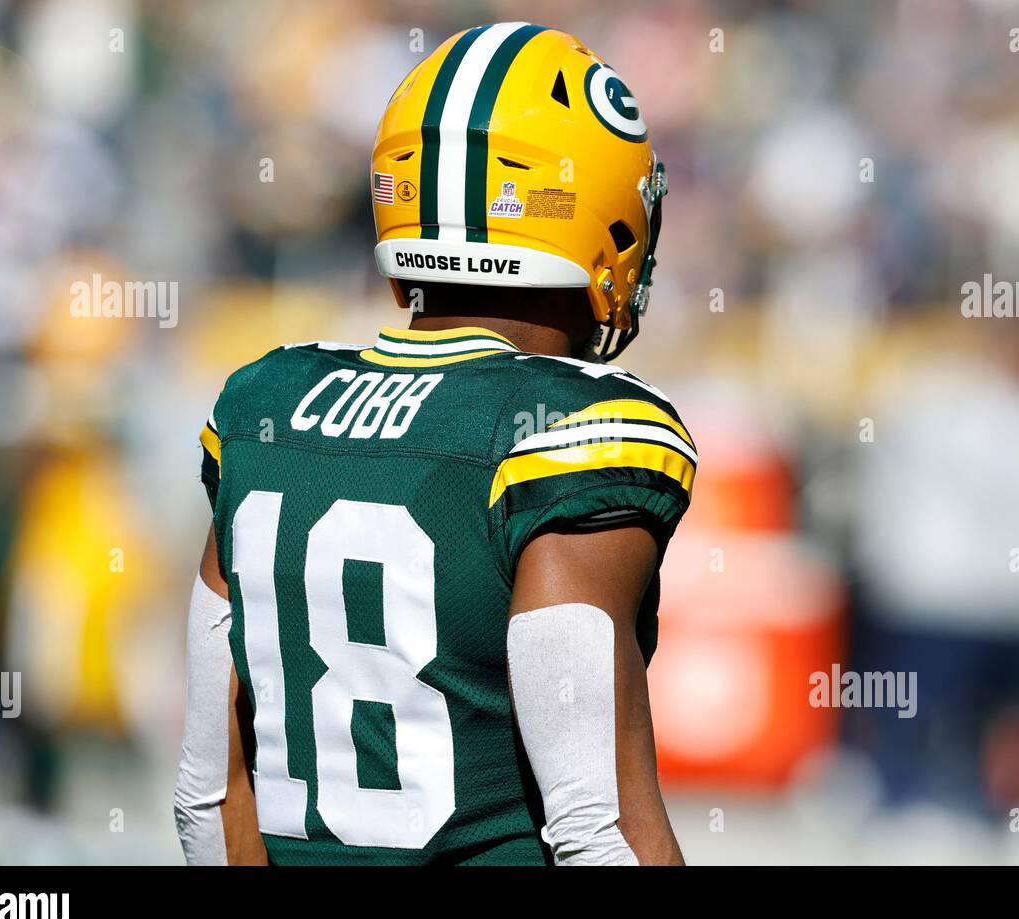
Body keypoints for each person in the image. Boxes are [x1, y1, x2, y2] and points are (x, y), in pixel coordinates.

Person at [173, 22, 695, 865]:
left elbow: (207, 792)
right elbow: (602, 831)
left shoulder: (264, 405)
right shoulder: (571, 431)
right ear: (607, 217)